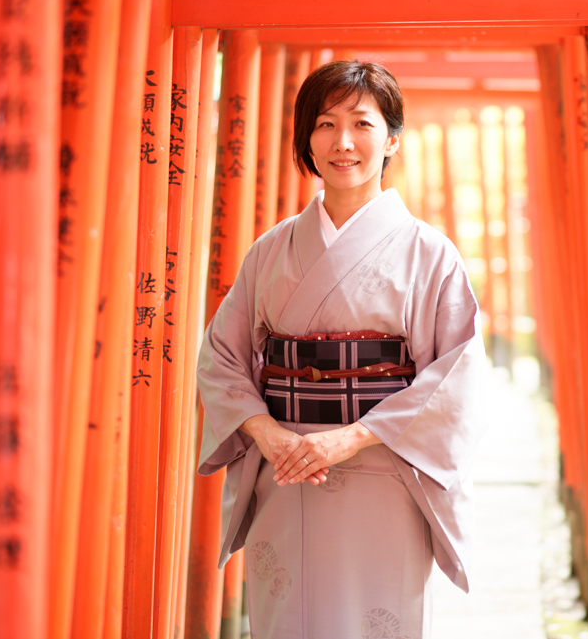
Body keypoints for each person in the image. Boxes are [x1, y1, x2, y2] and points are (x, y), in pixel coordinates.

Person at [195, 60, 489, 639]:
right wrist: (270, 434)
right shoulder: (271, 251)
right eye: (325, 125)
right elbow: (221, 358)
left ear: (392, 139)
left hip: (384, 471)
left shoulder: (430, 254)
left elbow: (457, 377)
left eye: (362, 123)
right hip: (286, 473)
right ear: (307, 139)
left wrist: (348, 438)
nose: (343, 142)